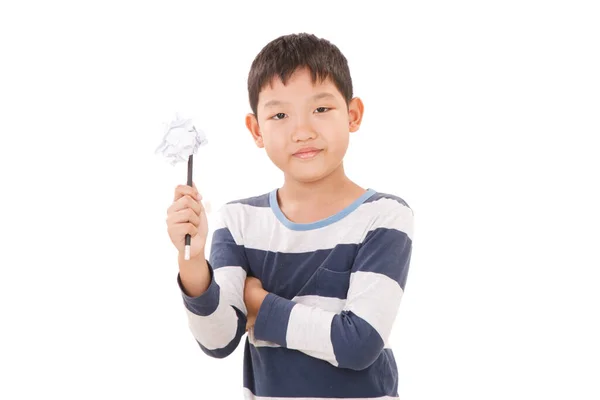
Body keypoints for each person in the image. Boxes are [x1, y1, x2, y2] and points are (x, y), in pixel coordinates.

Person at [166, 32, 414, 400]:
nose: (302, 131)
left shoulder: (383, 216)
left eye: (321, 109)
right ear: (256, 130)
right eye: (280, 114)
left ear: (353, 114)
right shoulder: (239, 222)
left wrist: (260, 305)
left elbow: (359, 343)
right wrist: (192, 258)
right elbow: (217, 340)